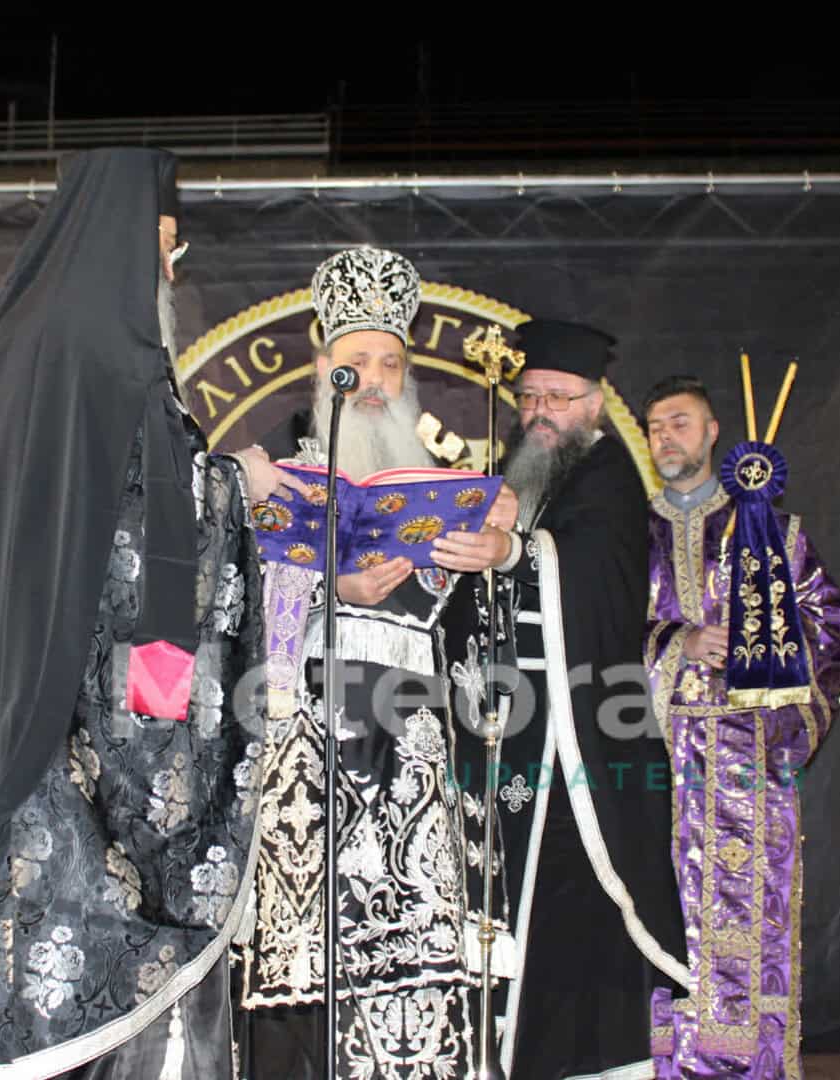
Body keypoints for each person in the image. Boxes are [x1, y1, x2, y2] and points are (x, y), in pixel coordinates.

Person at [0, 148, 266, 1076]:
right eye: (162, 245)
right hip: (75, 742)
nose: (170, 269)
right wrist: (233, 487)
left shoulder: (13, 351)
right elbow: (147, 551)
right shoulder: (108, 364)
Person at [235, 246, 516, 1079]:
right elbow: (225, 585)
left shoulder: (443, 479)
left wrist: (497, 552)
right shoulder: (271, 463)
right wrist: (331, 581)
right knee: (308, 953)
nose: (376, 380)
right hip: (306, 740)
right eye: (357, 361)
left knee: (414, 937)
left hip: (413, 738)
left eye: (391, 363)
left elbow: (484, 628)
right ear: (325, 367)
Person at [440, 321, 690, 1079]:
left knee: (573, 901)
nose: (541, 411)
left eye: (558, 397)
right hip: (504, 725)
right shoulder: (516, 471)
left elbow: (595, 575)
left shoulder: (609, 474)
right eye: (529, 397)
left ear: (593, 403)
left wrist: (514, 551)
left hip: (578, 730)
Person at [639, 374, 840, 1076]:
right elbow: (594, 632)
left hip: (746, 762)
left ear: (711, 433)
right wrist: (676, 643)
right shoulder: (627, 535)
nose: (666, 437)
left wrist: (774, 702)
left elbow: (830, 631)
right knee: (657, 918)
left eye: (680, 422)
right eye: (655, 427)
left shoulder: (772, 530)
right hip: (653, 756)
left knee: (745, 921)